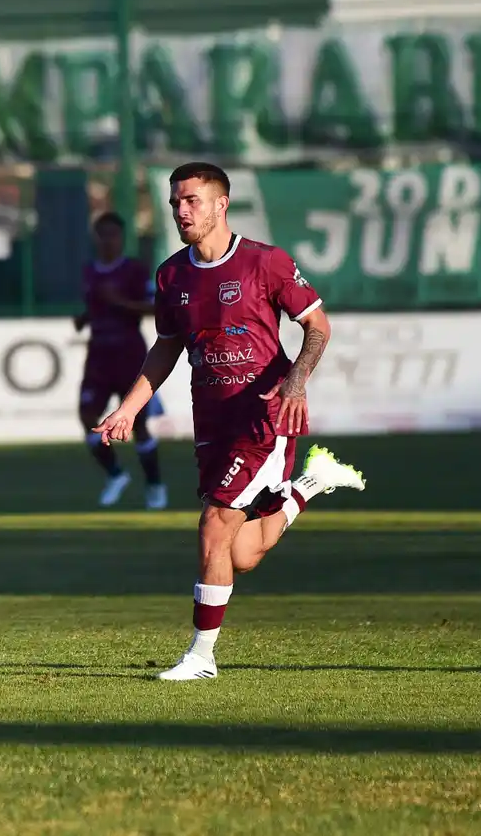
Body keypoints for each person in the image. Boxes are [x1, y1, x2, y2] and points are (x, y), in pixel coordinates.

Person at [94, 162, 366, 682]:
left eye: (191, 200)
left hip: (264, 416)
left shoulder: (266, 262)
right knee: (240, 553)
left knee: (215, 525)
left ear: (221, 204)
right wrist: (129, 408)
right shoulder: (171, 275)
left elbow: (317, 326)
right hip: (212, 419)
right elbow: (167, 348)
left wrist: (295, 381)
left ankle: (201, 657)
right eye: (175, 202)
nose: (181, 211)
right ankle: (309, 485)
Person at [73, 212, 166, 509]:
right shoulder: (90, 271)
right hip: (99, 356)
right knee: (87, 416)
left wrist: (120, 302)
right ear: (96, 238)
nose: (108, 240)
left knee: (138, 423)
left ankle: (154, 485)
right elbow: (96, 305)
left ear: (122, 238)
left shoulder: (134, 270)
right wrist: (85, 317)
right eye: (103, 234)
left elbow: (155, 308)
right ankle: (115, 474)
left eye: (113, 234)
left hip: (129, 355)